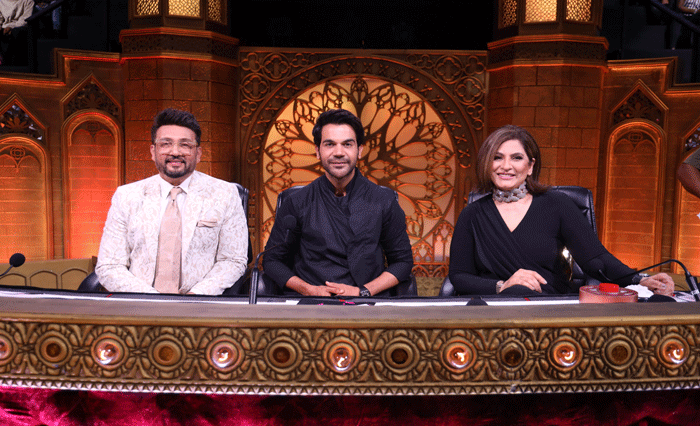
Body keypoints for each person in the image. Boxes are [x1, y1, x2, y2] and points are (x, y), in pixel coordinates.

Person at [449, 125, 674, 297]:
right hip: (493, 306)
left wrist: (639, 279)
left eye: (516, 158)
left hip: (547, 305)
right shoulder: (471, 215)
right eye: (497, 157)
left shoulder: (557, 204)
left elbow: (596, 259)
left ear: (530, 166)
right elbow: (459, 276)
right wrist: (502, 286)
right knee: (515, 291)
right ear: (487, 164)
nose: (506, 166)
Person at [262, 109, 413, 297]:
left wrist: (362, 291)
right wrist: (308, 290)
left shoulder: (383, 201)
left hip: (366, 302)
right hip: (310, 302)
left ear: (359, 150)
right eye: (330, 144)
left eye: (347, 144)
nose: (339, 153)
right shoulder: (297, 201)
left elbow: (402, 262)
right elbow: (272, 261)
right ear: (318, 151)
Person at [96, 109, 248, 295]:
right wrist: (151, 299)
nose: (175, 152)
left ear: (198, 153)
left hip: (200, 303)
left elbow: (233, 260)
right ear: (153, 151)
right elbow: (109, 265)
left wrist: (195, 296)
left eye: (185, 145)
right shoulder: (126, 196)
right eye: (166, 144)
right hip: (140, 303)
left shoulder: (225, 194)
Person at [0, 0, 33, 65]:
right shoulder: (1, 1)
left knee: (16, 33)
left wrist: (11, 27)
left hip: (19, 28)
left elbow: (25, 19)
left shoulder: (28, 1)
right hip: (4, 27)